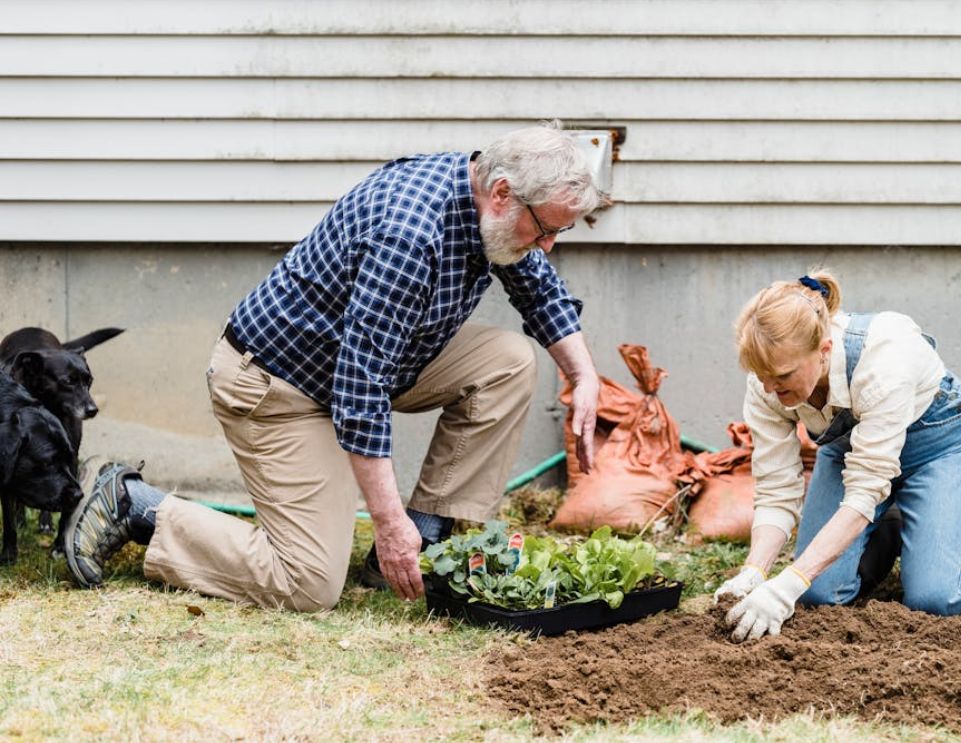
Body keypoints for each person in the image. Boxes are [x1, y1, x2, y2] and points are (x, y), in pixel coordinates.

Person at [62, 123, 606, 611]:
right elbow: (360, 390)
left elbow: (537, 287)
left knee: (507, 363)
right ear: (502, 195)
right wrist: (387, 524)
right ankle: (136, 504)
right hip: (277, 388)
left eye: (560, 232)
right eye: (545, 230)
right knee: (309, 583)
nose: (548, 246)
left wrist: (583, 376)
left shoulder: (489, 195)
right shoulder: (409, 235)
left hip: (370, 362)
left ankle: (429, 537)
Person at [714, 271, 961, 642]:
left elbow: (863, 493)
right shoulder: (768, 385)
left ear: (823, 351)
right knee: (817, 594)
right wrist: (755, 573)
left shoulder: (883, 360)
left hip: (936, 445)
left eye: (782, 375)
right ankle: (890, 522)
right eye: (761, 376)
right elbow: (776, 489)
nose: (770, 389)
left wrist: (786, 583)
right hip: (853, 453)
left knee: (936, 599)